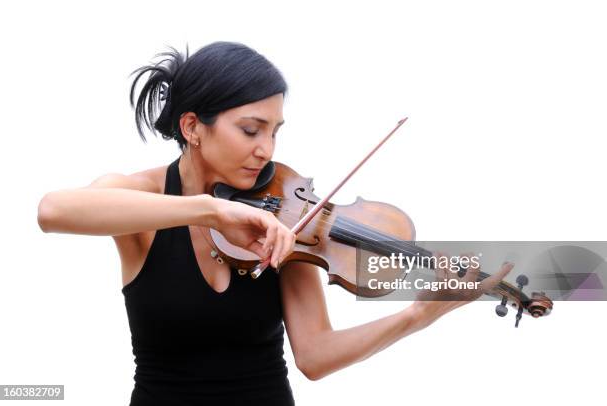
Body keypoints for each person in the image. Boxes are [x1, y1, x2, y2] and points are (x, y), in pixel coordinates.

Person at [36, 41, 514, 406]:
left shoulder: (285, 211)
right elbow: (55, 212)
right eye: (251, 129)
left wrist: (416, 316)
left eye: (274, 131)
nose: (267, 149)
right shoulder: (140, 198)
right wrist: (211, 209)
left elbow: (315, 355)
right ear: (191, 128)